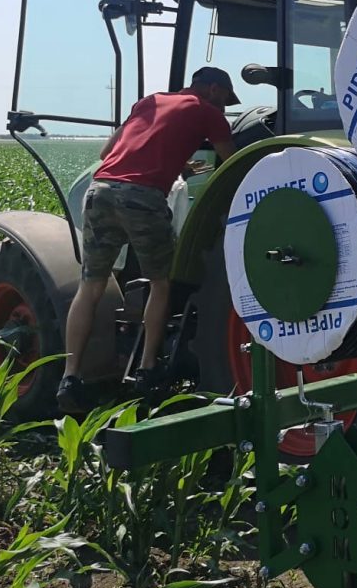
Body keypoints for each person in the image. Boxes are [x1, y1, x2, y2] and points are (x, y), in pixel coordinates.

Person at [57, 67, 240, 414]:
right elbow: (234, 163)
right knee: (162, 283)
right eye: (225, 100)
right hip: (142, 199)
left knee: (91, 285)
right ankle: (148, 367)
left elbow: (108, 153)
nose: (225, 108)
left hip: (100, 192)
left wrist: (177, 166)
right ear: (214, 89)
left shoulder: (150, 102)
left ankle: (70, 377)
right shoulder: (208, 114)